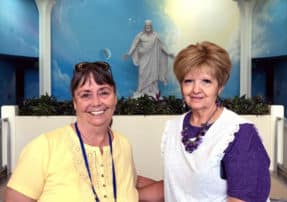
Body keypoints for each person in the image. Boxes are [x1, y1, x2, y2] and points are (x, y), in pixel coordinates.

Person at [5, 61, 139, 202]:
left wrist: (165, 180)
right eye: (86, 95)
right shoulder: (44, 147)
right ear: (75, 102)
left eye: (104, 92)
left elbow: (131, 186)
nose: (96, 102)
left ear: (115, 98)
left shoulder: (123, 144)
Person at [160, 41, 271, 201]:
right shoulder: (172, 127)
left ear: (220, 87)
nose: (196, 89)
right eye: (188, 81)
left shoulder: (239, 133)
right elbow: (176, 186)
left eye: (206, 81)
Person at [124, 19, 174, 99]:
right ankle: (141, 91)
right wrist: (129, 53)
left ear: (151, 27)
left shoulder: (155, 36)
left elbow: (162, 46)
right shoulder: (140, 35)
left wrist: (168, 53)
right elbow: (134, 45)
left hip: (153, 59)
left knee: (153, 75)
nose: (148, 27)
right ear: (144, 26)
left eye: (149, 26)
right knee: (142, 74)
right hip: (143, 58)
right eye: (146, 26)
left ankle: (153, 92)